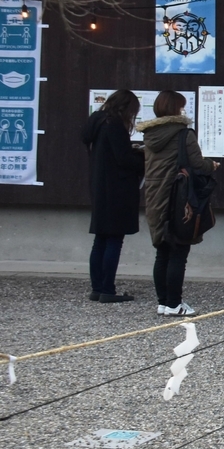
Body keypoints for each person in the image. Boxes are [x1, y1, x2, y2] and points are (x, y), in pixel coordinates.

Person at [137, 90, 219, 316]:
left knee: (162, 251)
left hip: (154, 196)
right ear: (176, 109)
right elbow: (197, 163)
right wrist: (212, 165)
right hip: (177, 197)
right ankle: (174, 304)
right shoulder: (183, 134)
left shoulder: (149, 134)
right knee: (179, 251)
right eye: (182, 106)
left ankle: (163, 303)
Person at [81, 90, 144, 303]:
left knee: (100, 239)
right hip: (117, 189)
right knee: (115, 240)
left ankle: (97, 288)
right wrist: (143, 161)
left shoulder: (96, 120)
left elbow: (109, 152)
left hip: (100, 186)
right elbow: (123, 160)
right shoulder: (115, 124)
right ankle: (108, 289)